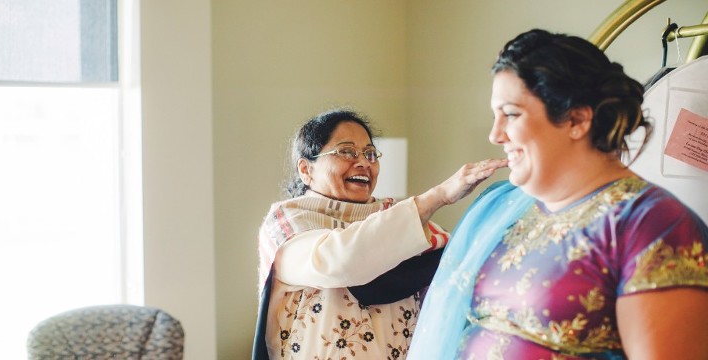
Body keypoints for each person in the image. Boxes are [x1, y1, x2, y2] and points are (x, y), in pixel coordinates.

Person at [408, 29, 708, 360]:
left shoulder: (652, 225)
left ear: (576, 119)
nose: (495, 134)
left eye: (510, 113)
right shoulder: (508, 212)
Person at [253, 108, 507, 359]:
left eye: (370, 153)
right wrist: (438, 196)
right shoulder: (288, 226)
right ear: (306, 169)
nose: (364, 162)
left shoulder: (396, 220)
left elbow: (463, 263)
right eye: (346, 151)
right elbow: (342, 261)